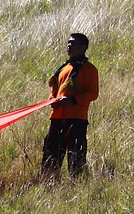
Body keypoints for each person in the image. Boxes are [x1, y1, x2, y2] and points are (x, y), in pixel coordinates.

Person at [42, 33, 99, 179]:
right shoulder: (63, 68)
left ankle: (77, 185)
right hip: (57, 118)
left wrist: (73, 100)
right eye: (68, 43)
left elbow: (93, 94)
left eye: (73, 43)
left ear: (83, 47)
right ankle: (49, 183)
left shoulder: (89, 69)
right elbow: (54, 91)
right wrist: (52, 100)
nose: (69, 46)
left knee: (76, 155)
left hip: (77, 119)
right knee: (51, 153)